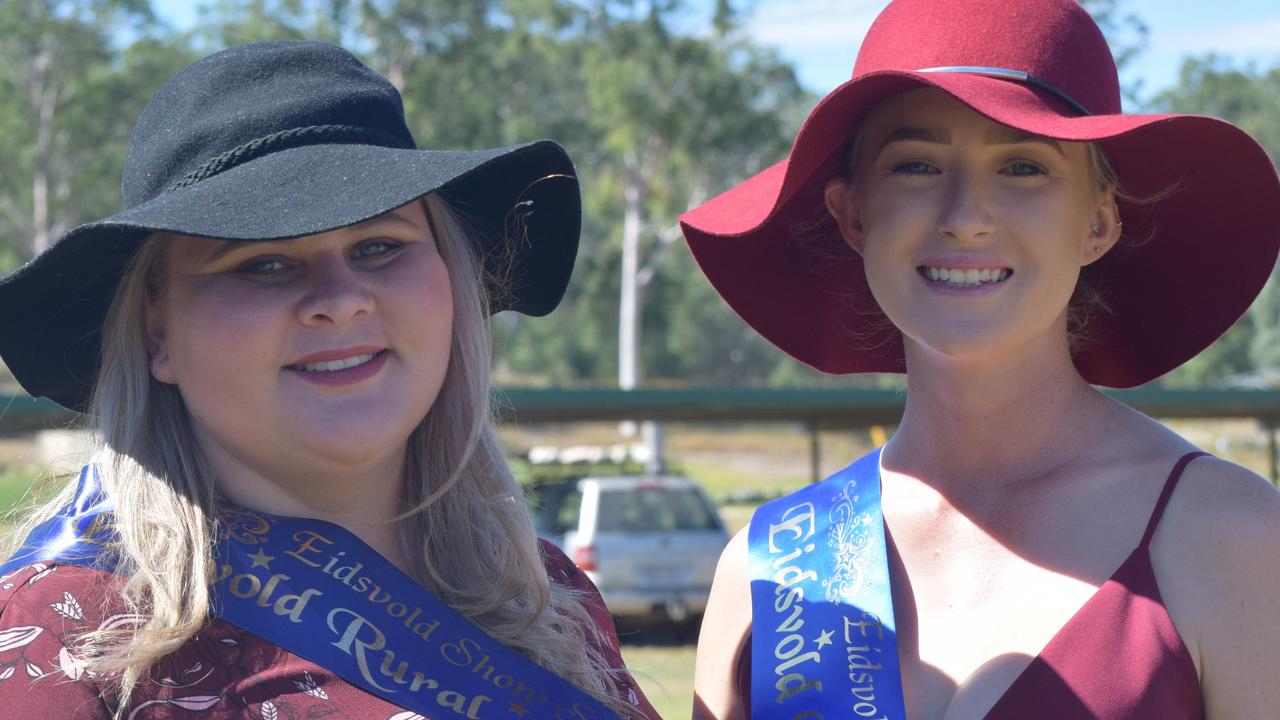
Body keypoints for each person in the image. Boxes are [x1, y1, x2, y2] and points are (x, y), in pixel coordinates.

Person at [0, 40, 656, 720]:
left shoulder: (547, 597)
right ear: (155, 333)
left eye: (379, 247)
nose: (341, 299)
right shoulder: (62, 645)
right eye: (264, 264)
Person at [681, 0, 1280, 718]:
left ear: (1099, 222)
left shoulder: (1231, 538)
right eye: (917, 165)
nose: (966, 214)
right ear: (853, 215)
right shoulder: (766, 569)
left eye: (1023, 165)